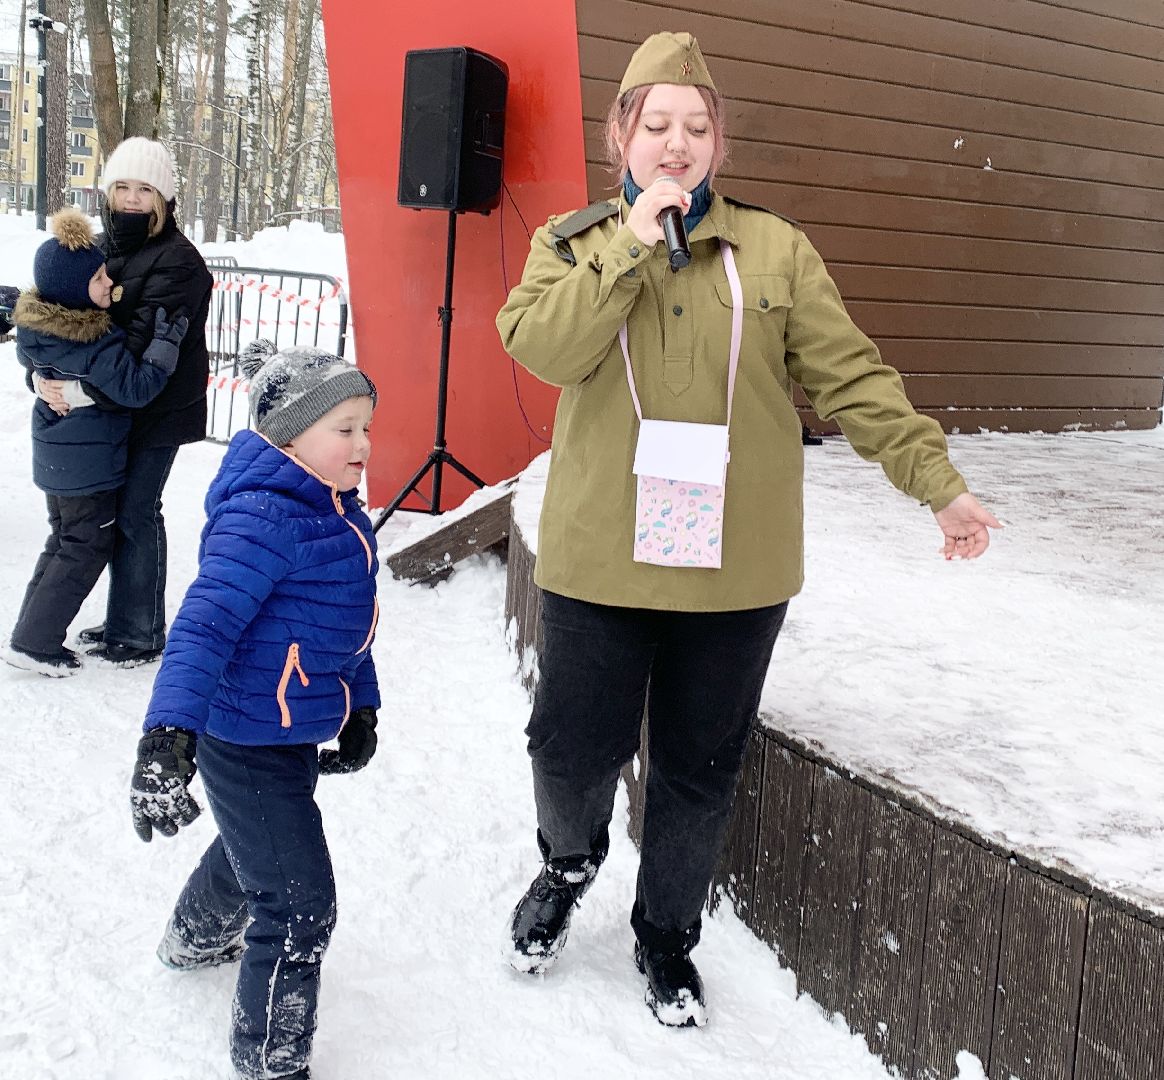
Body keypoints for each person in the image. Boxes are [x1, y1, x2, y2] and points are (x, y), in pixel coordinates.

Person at [495, 31, 1001, 1029]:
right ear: (621, 136)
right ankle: (568, 862)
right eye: (657, 124)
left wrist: (936, 483)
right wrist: (632, 244)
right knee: (568, 748)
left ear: (719, 141)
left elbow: (852, 377)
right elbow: (543, 348)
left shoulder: (776, 249)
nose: (677, 143)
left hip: (735, 570)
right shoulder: (571, 242)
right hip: (600, 557)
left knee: (699, 768)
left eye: (697, 126)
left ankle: (666, 937)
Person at [128, 341, 381, 1080]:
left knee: (256, 848)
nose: (363, 444)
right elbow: (202, 629)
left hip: (288, 730)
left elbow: (347, 627)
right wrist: (167, 735)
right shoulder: (262, 520)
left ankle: (194, 937)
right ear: (289, 438)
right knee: (300, 903)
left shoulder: (337, 514)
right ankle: (270, 1059)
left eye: (366, 426)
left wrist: (360, 707)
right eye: (344, 429)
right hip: (242, 736)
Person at [38, 137, 213, 667]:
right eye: (123, 187)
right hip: (112, 408)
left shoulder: (178, 262)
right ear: (108, 191)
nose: (132, 198)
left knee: (137, 511)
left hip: (158, 406)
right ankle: (123, 618)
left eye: (145, 189)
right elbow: (66, 324)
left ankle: (140, 631)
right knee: (114, 513)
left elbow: (141, 347)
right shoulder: (100, 250)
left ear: (163, 198)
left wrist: (78, 390)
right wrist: (44, 378)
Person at [4, 207, 188, 676]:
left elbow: (41, 372)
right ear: (74, 292)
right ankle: (35, 642)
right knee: (84, 547)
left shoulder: (38, 334)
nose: (110, 283)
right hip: (89, 468)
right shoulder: (95, 343)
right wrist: (164, 348)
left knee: (62, 542)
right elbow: (137, 389)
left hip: (57, 461)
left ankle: (30, 633)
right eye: (99, 278)